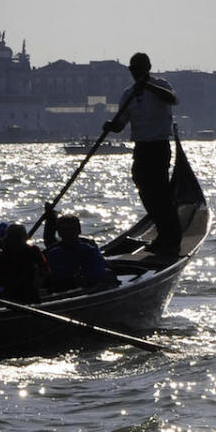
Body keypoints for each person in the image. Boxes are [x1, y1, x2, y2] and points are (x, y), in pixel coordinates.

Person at [103, 52, 182, 255]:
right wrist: (111, 126)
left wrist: (146, 86)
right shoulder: (128, 94)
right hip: (142, 147)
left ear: (147, 68)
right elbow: (121, 125)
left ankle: (170, 236)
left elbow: (172, 99)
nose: (136, 72)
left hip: (159, 145)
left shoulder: (160, 84)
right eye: (133, 69)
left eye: (140, 69)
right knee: (143, 186)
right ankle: (162, 230)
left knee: (160, 190)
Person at [42, 207, 112, 292]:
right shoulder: (52, 254)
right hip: (59, 291)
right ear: (60, 233)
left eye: (71, 230)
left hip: (84, 290)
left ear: (78, 231)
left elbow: (98, 273)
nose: (68, 234)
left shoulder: (89, 251)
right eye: (64, 230)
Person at [0, 223, 49, 302]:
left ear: (23, 239)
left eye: (17, 237)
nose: (14, 241)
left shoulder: (32, 251)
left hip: (27, 293)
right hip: (6, 292)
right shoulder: (2, 254)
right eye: (11, 237)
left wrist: (37, 285)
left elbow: (45, 272)